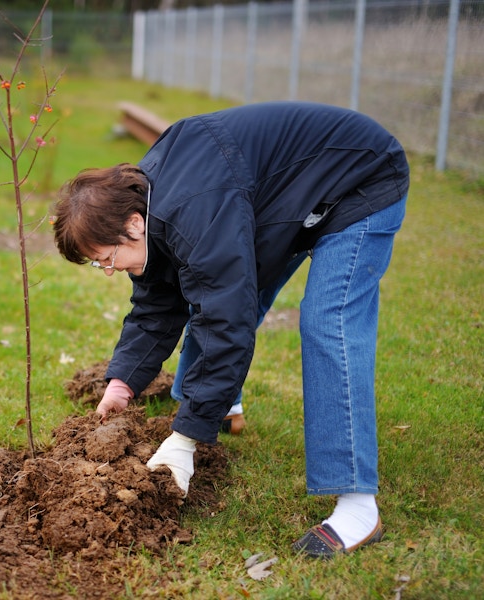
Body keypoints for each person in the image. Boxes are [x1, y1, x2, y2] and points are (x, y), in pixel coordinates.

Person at [52, 101, 409, 558]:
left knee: (328, 322)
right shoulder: (150, 205)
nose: (106, 270)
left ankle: (359, 506)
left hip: (359, 177)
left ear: (133, 225)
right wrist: (123, 382)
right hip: (283, 195)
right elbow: (159, 305)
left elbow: (226, 318)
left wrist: (184, 441)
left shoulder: (192, 210)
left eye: (105, 258)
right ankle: (215, 404)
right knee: (217, 285)